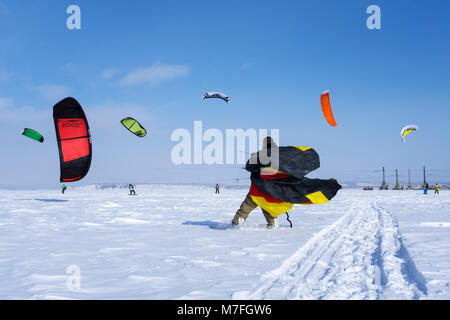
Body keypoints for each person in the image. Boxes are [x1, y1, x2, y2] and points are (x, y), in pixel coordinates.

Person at [231, 137, 278, 229]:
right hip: (272, 187)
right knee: (266, 204)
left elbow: (249, 167)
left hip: (259, 186)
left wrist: (253, 158)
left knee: (248, 204)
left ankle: (236, 223)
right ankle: (272, 222)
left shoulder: (261, 154)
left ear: (264, 144)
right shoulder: (279, 155)